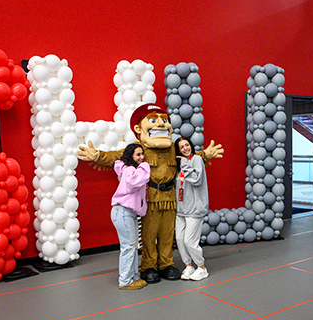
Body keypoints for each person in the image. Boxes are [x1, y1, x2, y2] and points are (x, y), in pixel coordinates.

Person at [78, 103, 223, 284]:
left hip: (171, 198)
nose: (161, 125)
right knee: (149, 234)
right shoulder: (139, 149)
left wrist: (205, 155)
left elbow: (190, 155)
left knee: (167, 234)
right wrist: (98, 155)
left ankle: (166, 264)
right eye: (154, 120)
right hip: (150, 198)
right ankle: (148, 266)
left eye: (164, 120)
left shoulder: (172, 148)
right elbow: (117, 156)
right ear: (139, 128)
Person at [111, 143, 150, 290]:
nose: (141, 157)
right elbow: (135, 182)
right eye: (138, 155)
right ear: (131, 157)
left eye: (142, 154)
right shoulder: (130, 170)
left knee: (133, 247)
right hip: (123, 211)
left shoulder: (131, 170)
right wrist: (145, 166)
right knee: (129, 246)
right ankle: (125, 281)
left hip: (129, 213)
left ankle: (133, 277)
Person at [174, 137, 209, 281]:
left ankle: (201, 267)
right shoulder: (179, 165)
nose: (185, 149)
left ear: (191, 146)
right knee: (180, 239)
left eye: (186, 145)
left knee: (189, 241)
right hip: (181, 209)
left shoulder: (196, 160)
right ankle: (188, 265)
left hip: (195, 208)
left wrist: (185, 164)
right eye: (181, 147)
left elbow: (196, 179)